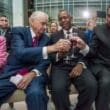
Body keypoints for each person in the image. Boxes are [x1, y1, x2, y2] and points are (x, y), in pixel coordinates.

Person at [0, 11, 71, 110]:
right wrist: (52, 48)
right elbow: (20, 52)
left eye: (46, 24)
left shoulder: (46, 38)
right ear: (31, 21)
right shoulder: (18, 32)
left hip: (35, 75)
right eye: (43, 23)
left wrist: (33, 73)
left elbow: (46, 61)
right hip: (12, 73)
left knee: (36, 93)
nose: (45, 27)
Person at [49, 9, 97, 110]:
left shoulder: (82, 34)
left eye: (65, 17)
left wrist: (80, 64)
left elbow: (88, 54)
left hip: (78, 65)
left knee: (91, 85)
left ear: (71, 18)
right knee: (57, 90)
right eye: (60, 19)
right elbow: (51, 57)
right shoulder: (54, 36)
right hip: (60, 67)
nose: (63, 20)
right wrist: (59, 55)